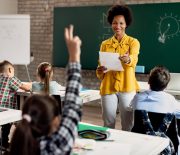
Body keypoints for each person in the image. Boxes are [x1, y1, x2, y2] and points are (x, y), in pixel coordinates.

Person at [9, 24, 82, 155]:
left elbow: (27, 86)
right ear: (55, 120)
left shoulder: (18, 144)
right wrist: (74, 56)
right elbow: (72, 106)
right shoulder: (56, 146)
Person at [96, 5, 140, 130]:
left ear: (126, 24)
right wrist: (99, 70)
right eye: (115, 23)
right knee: (108, 123)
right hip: (108, 86)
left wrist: (128, 59)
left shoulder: (133, 42)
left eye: (121, 23)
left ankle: (128, 148)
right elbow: (100, 68)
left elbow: (134, 58)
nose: (118, 26)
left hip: (127, 86)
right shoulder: (104, 44)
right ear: (111, 23)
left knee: (128, 124)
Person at [0, 60, 32, 149]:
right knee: (6, 125)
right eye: (13, 71)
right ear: (10, 70)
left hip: (0, 109)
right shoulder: (10, 78)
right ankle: (4, 143)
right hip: (6, 109)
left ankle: (2, 142)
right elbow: (26, 88)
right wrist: (31, 84)